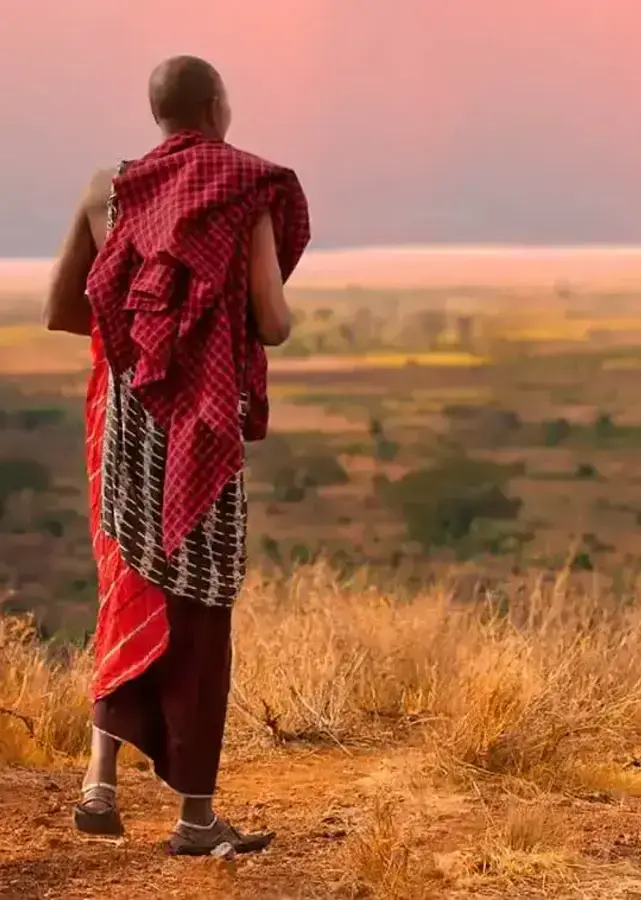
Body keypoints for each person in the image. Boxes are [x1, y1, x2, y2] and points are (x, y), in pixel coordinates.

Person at [43, 55, 311, 855]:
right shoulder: (248, 189)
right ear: (217, 106)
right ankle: (196, 819)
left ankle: (99, 784)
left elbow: (64, 305)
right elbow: (272, 321)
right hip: (203, 430)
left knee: (130, 587)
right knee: (198, 612)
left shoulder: (106, 189)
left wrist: (149, 331)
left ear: (158, 113)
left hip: (132, 419)